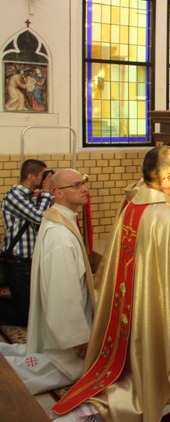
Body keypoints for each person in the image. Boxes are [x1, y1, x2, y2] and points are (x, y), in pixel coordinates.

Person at [53, 145, 170, 420]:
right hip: (157, 308)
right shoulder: (168, 218)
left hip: (134, 299)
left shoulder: (133, 205)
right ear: (169, 179)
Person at [0, 169, 94, 394]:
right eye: (76, 185)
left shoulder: (57, 219)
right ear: (58, 193)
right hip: (67, 338)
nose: (84, 188)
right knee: (65, 367)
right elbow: (63, 291)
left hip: (58, 323)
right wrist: (78, 337)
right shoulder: (60, 234)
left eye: (83, 183)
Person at [0, 159, 55, 325]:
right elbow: (40, 217)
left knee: (30, 307)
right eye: (42, 175)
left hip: (27, 261)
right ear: (31, 176)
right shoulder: (14, 195)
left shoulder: (29, 197)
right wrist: (46, 191)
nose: (45, 179)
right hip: (18, 262)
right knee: (24, 317)